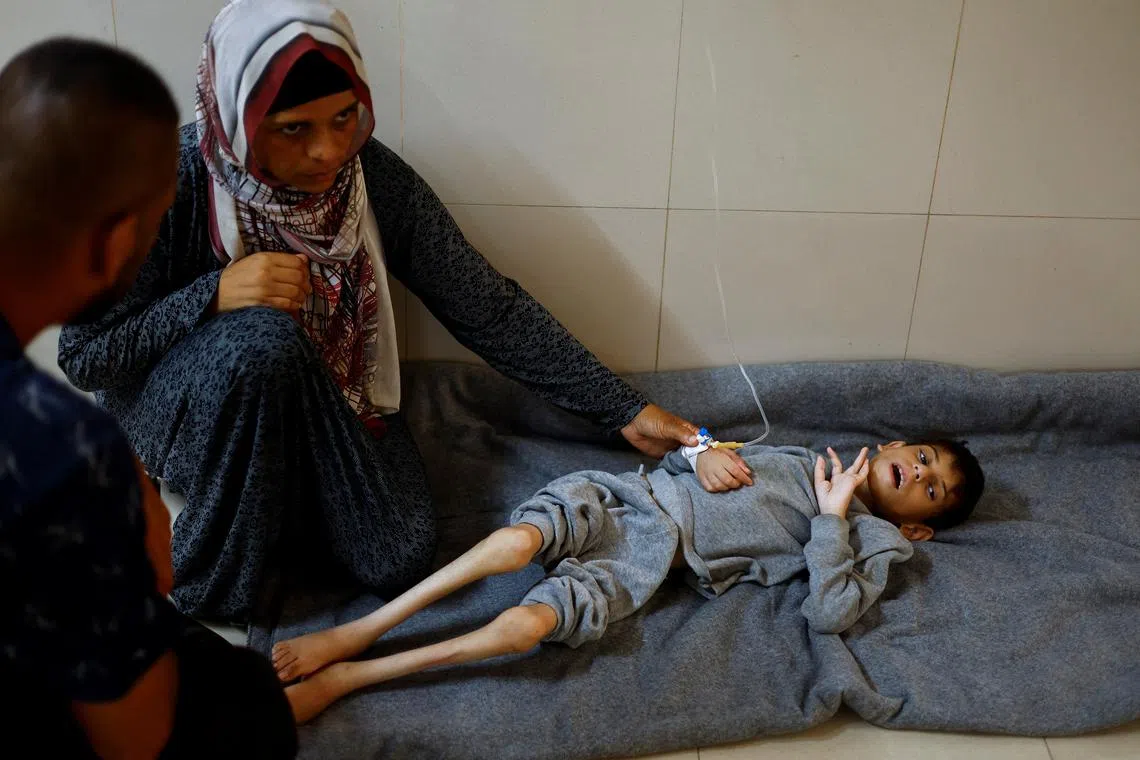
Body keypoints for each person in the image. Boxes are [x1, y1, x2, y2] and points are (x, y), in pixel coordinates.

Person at [57, 0, 700, 624]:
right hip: (188, 412)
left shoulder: (368, 179)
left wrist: (622, 409)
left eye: (343, 120)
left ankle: (277, 495)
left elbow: (485, 305)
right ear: (237, 119)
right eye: (293, 130)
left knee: (397, 554)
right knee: (263, 342)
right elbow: (83, 355)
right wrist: (213, 296)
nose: (327, 152)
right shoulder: (163, 181)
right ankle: (207, 586)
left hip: (328, 396)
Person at [0, 39, 296, 758]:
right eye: (160, 218)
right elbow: (135, 737)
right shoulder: (61, 453)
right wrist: (139, 566)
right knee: (249, 699)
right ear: (112, 242)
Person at [273, 438, 985, 723]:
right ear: (892, 445)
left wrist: (833, 520)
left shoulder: (876, 544)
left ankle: (353, 679)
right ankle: (359, 630)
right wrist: (701, 454)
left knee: (528, 624)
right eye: (922, 457)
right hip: (628, 498)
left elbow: (831, 613)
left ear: (918, 528)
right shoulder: (813, 453)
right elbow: (709, 454)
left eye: (932, 490)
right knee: (514, 542)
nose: (921, 472)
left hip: (648, 562)